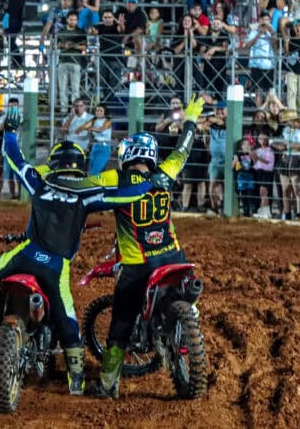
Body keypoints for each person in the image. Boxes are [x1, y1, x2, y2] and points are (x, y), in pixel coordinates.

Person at [0, 110, 103, 396]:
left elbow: (13, 158)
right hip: (56, 266)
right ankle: (76, 379)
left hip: (26, 254)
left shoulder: (39, 183)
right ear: (81, 167)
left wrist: (10, 130)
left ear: (53, 164)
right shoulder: (85, 194)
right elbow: (119, 195)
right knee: (67, 318)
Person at [90, 97, 205, 399]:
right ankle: (188, 326)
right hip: (173, 257)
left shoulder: (116, 178)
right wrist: (190, 119)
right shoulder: (165, 173)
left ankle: (107, 385)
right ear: (152, 156)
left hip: (138, 266)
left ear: (126, 155)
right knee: (186, 296)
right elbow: (184, 148)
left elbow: (86, 187)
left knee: (120, 325)